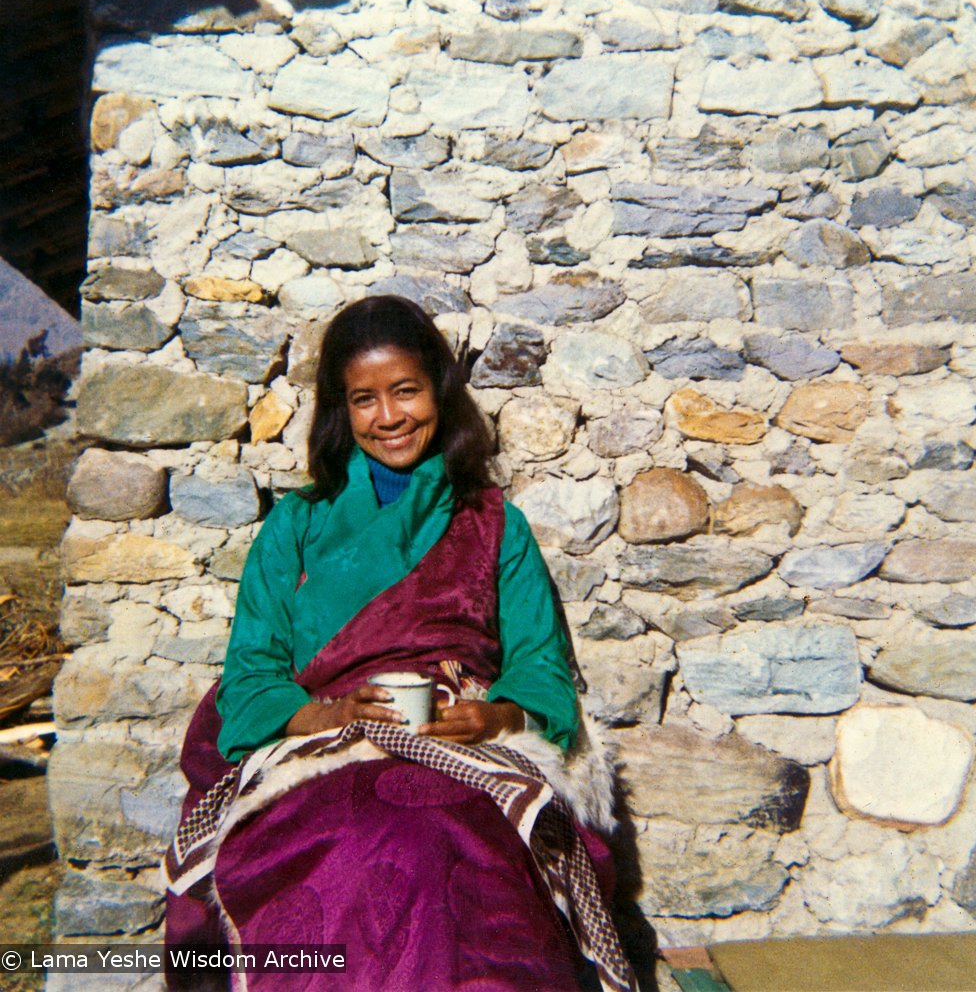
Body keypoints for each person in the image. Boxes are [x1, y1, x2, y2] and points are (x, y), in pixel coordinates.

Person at [164, 295, 634, 992]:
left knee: (458, 854)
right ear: (340, 410)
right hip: (320, 751)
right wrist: (326, 714)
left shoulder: (494, 523)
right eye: (364, 399)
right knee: (363, 845)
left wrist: (498, 716)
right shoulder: (296, 526)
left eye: (406, 391)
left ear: (439, 392)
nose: (389, 417)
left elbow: (538, 661)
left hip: (462, 749)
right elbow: (251, 671)